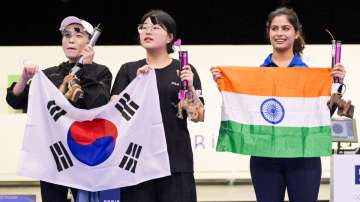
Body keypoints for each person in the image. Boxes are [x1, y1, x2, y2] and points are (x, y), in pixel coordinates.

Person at [211, 7, 346, 202]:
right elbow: (245, 110)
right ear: (268, 32)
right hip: (265, 159)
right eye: (274, 28)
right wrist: (225, 83)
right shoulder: (256, 76)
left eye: (286, 28)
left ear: (296, 32)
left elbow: (326, 113)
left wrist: (337, 83)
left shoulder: (311, 75)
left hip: (303, 158)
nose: (280, 33)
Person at [6, 16, 112, 202]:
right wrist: (24, 78)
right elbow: (15, 101)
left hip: (85, 155)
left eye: (78, 35)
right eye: (66, 35)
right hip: (54, 156)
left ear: (89, 41)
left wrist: (85, 68)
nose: (70, 39)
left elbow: (98, 104)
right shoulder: (49, 74)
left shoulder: (100, 71)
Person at [110, 9, 204, 202]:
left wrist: (192, 86)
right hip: (136, 162)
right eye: (143, 27)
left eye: (155, 27)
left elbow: (197, 116)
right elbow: (113, 113)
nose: (147, 31)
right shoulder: (129, 70)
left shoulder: (184, 70)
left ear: (170, 37)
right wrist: (136, 85)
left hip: (176, 161)